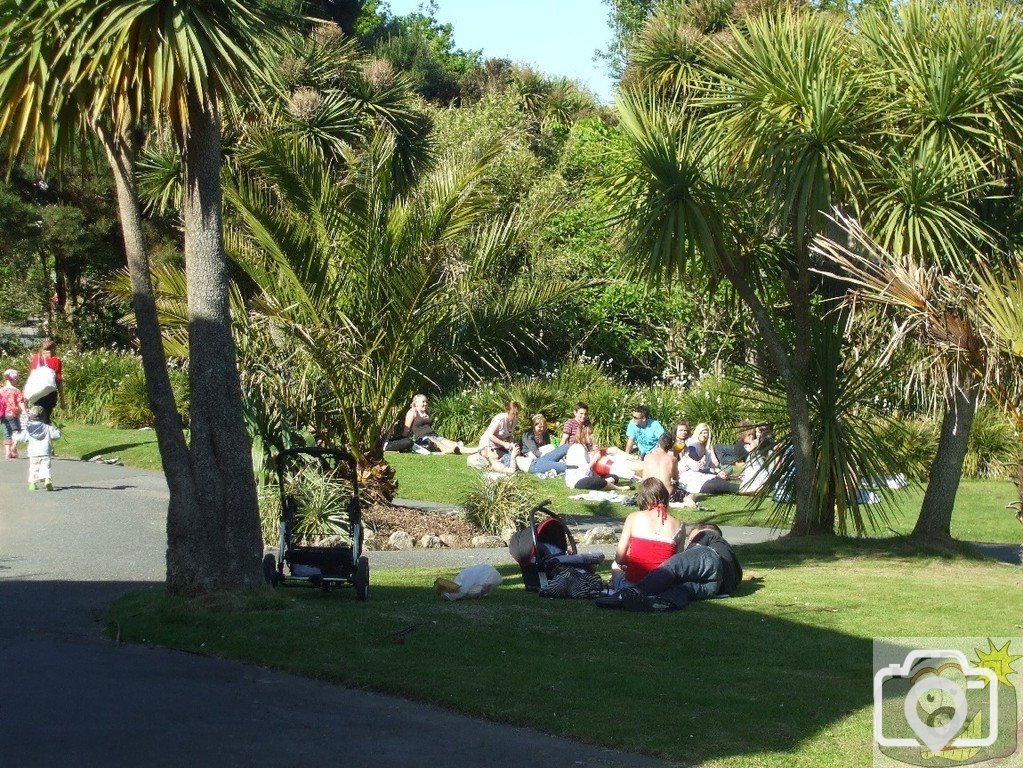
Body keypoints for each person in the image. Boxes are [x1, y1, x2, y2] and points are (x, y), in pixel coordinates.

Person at [596, 523, 743, 612]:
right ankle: (662, 602)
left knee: (671, 568)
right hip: (718, 588)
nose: (690, 541)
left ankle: (630, 593)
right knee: (681, 588)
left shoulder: (708, 533)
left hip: (710, 560)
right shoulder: (735, 565)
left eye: (691, 538)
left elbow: (689, 554)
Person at [609, 478, 686, 590]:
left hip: (633, 587)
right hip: (662, 588)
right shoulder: (679, 526)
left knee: (615, 566)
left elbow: (619, 558)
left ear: (643, 499)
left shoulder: (634, 517)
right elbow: (677, 564)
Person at [16, 404, 62, 491]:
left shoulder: (29, 428)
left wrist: (15, 435)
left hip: (33, 453)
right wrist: (59, 429)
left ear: (31, 416)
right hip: (45, 452)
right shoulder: (48, 427)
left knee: (34, 467)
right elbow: (56, 435)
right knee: (45, 467)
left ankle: (33, 483)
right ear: (43, 416)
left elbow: (22, 437)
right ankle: (47, 480)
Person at [478, 400, 522, 471]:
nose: (514, 416)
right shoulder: (500, 419)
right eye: (512, 413)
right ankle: (503, 469)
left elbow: (508, 434)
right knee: (494, 458)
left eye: (517, 414)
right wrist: (504, 444)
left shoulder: (515, 421)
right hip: (487, 442)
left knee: (512, 454)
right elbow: (490, 435)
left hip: (497, 444)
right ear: (508, 411)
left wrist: (512, 443)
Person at [29, 339, 63, 424]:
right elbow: (58, 381)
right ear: (52, 349)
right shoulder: (56, 361)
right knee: (46, 415)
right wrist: (62, 399)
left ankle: (37, 432)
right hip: (50, 393)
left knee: (38, 414)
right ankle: (45, 433)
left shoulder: (36, 358)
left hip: (37, 392)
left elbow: (32, 376)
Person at [642, 433, 679, 499]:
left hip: (649, 493)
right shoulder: (673, 459)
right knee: (690, 495)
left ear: (658, 443)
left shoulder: (647, 457)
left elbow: (644, 478)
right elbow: (675, 478)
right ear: (671, 446)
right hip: (666, 494)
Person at [2, 369, 25, 459]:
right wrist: (25, 412)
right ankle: (13, 448)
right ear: (13, 379)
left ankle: (7, 452)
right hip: (14, 414)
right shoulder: (16, 390)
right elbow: (20, 402)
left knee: (7, 432)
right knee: (17, 432)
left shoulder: (1, 390)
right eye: (17, 379)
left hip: (4, 415)